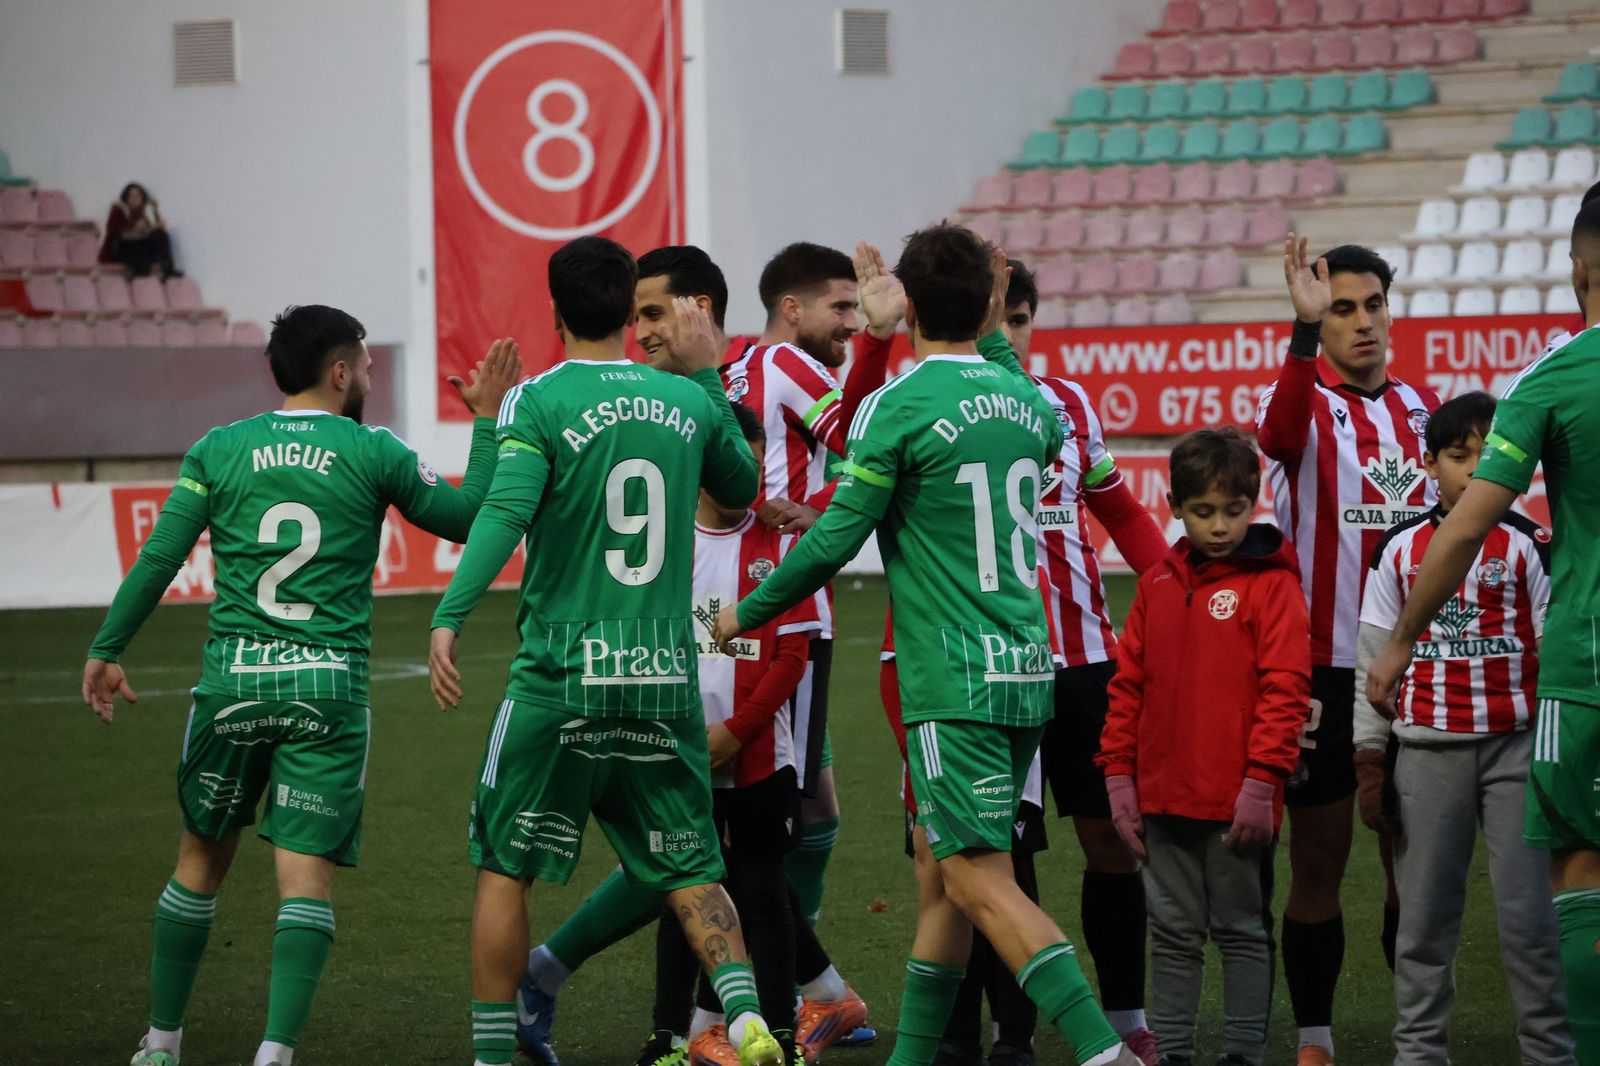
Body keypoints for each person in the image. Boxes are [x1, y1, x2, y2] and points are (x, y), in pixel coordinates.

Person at [714, 226, 1143, 1066]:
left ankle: (1104, 1053)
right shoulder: (1031, 404)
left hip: (953, 682)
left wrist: (743, 614)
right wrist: (990, 322)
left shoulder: (896, 407)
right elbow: (1040, 425)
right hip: (1029, 670)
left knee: (982, 879)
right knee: (944, 881)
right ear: (990, 303)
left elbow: (833, 540)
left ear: (906, 303)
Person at [81, 305, 521, 1066]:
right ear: (340, 372)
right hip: (326, 691)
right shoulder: (372, 450)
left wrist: (109, 645)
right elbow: (469, 515)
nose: (372, 381)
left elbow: (159, 557)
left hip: (233, 688)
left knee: (197, 864)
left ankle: (159, 1044)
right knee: (303, 882)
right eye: (369, 369)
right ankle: (274, 1055)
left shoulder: (218, 448)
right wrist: (484, 421)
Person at [427, 236, 784, 1066]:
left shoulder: (537, 402)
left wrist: (451, 613)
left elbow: (504, 514)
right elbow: (741, 489)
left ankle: (492, 1056)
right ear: (630, 313)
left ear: (555, 312)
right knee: (691, 862)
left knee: (503, 867)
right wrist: (704, 374)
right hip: (662, 678)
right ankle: (746, 1014)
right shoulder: (688, 403)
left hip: (562, 675)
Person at [857, 257, 1169, 1066]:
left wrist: (1177, 602)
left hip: (1082, 662)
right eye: (1002, 318)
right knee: (987, 860)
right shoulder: (917, 403)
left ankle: (1120, 1022)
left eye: (1021, 321)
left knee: (1100, 847)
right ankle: (1011, 1036)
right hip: (973, 664)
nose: (1012, 336)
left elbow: (1123, 513)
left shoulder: (1059, 406)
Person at [1368, 197, 1600, 1066]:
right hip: (1486, 720)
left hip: (1584, 668)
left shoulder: (1552, 377)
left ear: (1578, 269)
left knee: (1577, 877)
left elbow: (1464, 527)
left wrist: (1397, 647)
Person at [1256, 235, 1440, 1066]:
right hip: (1326, 671)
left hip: (1416, 665)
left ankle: (1416, 1034)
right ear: (1318, 324)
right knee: (1320, 862)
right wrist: (1299, 335)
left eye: (1373, 304)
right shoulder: (1302, 404)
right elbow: (1278, 431)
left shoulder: (1423, 413)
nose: (1362, 323)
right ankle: (1316, 1040)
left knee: (1414, 865)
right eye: (1342, 310)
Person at [1352, 391, 1574, 1066]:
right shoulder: (1395, 551)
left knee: (1533, 925)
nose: (1475, 468)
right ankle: (1418, 1055)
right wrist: (1369, 760)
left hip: (1519, 754)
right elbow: (1372, 658)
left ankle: (1550, 1053)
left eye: (1490, 454)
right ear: (1428, 465)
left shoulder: (1531, 543)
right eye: (1459, 455)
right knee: (1421, 927)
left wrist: (1556, 760)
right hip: (1424, 756)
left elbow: (1556, 652)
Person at [1099, 427, 1310, 1066]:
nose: (1220, 526)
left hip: (1233, 801)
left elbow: (1287, 689)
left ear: (1255, 504)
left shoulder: (1272, 585)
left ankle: (1243, 1054)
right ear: (1174, 505)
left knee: (1242, 930)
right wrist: (1118, 779)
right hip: (1162, 799)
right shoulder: (1158, 583)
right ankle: (1176, 1054)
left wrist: (1260, 784)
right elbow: (1127, 683)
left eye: (1235, 510)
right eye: (1203, 512)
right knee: (1170, 935)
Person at [634, 401, 823, 1066]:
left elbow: (793, 658)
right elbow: (648, 645)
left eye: (746, 461)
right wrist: (683, 734)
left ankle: (781, 1033)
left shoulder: (782, 547)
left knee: (762, 892)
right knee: (681, 895)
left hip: (759, 759)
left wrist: (738, 733)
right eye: (724, 462)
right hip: (679, 753)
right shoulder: (665, 543)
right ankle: (668, 1036)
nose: (737, 476)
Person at [723, 240, 874, 1053]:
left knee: (808, 801)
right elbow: (870, 445)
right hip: (791, 611)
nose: (850, 325)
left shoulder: (745, 364)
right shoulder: (792, 362)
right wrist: (821, 506)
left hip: (745, 604)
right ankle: (804, 990)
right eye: (839, 309)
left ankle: (815, 986)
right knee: (769, 815)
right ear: (793, 309)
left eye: (857, 310)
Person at [99, 182, 179, 278]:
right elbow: (114, 233)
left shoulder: (147, 210)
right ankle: (150, 270)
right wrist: (134, 228)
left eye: (137, 196)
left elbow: (155, 230)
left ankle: (163, 267)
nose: (134, 199)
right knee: (136, 250)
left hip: (141, 244)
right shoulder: (119, 210)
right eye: (131, 196)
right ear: (126, 198)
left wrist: (153, 226)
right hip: (122, 247)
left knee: (161, 234)